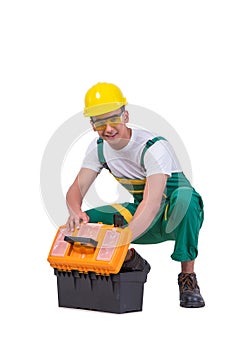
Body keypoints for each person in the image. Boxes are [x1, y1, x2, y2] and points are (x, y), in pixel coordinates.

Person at [66, 82, 205, 308]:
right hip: (143, 215)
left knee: (185, 199)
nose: (108, 128)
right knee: (90, 222)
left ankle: (187, 278)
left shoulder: (152, 146)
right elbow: (76, 190)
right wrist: (75, 212)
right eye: (100, 122)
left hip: (174, 217)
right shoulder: (99, 148)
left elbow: (152, 204)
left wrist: (123, 237)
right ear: (92, 125)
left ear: (125, 116)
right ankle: (132, 261)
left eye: (113, 119)